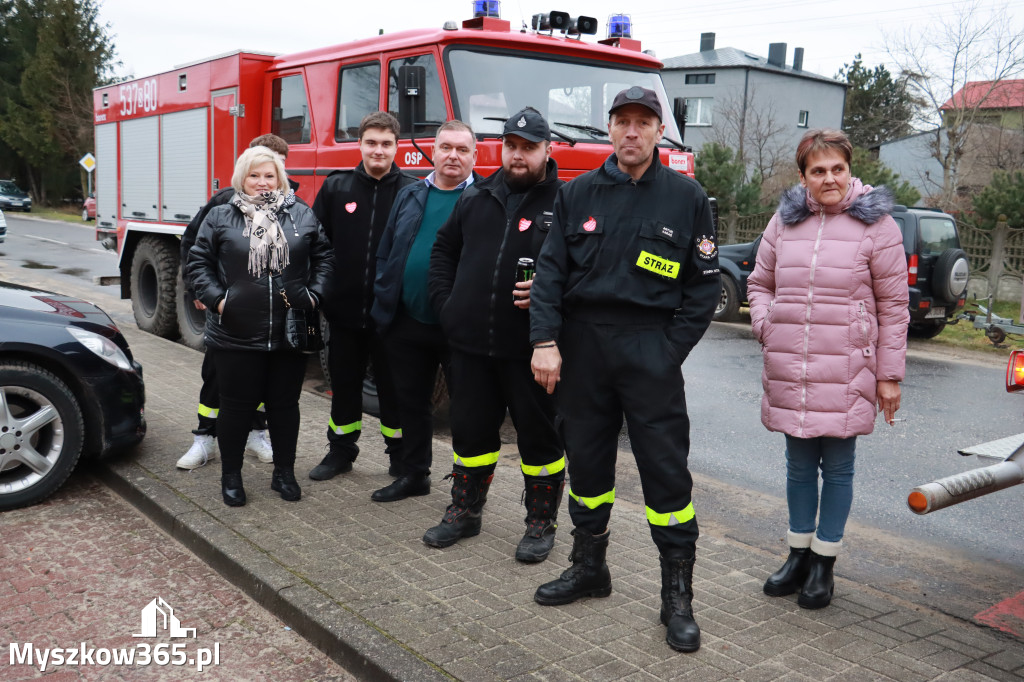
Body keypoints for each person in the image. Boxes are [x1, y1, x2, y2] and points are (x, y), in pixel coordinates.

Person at [528, 86, 719, 653]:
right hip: (582, 351)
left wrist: (667, 353)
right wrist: (545, 340)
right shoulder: (577, 193)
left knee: (666, 475)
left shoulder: (687, 198)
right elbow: (550, 274)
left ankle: (676, 597)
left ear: (660, 131)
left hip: (649, 351)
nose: (632, 132)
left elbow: (703, 290)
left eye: (643, 122)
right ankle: (590, 568)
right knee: (585, 466)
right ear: (609, 129)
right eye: (622, 122)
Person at [746, 128, 908, 609]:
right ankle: (797, 555)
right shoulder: (784, 222)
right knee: (798, 467)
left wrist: (889, 375)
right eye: (818, 171)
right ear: (803, 177)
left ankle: (823, 565)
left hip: (847, 369)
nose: (830, 178)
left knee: (837, 469)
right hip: (791, 364)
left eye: (837, 168)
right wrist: (765, 324)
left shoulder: (879, 227)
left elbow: (895, 307)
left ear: (850, 170)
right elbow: (759, 283)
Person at [425, 107, 565, 561]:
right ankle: (465, 512)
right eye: (511, 146)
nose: (518, 156)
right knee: (469, 435)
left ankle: (541, 523)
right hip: (469, 347)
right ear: (500, 148)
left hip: (530, 350)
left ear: (547, 150)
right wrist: (448, 307)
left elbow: (581, 271)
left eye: (529, 148)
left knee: (540, 441)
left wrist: (551, 299)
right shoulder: (476, 196)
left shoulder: (564, 202)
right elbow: (443, 252)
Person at [186, 146, 334, 506]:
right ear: (243, 179)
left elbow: (325, 257)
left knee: (285, 407)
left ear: (280, 179)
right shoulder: (221, 216)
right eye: (255, 175)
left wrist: (314, 295)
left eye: (269, 175)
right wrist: (221, 300)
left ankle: (284, 472)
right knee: (236, 408)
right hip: (236, 331)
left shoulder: (301, 214)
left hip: (289, 331)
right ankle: (231, 476)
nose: (262, 183)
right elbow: (198, 261)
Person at [370, 120, 480, 503]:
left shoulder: (485, 198)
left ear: (474, 156)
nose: (453, 155)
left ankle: (466, 493)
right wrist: (385, 301)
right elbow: (387, 250)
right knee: (411, 403)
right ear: (432, 151)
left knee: (467, 411)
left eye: (462, 149)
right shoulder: (411, 194)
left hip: (460, 326)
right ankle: (414, 475)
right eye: (446, 147)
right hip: (407, 320)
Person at [177, 134, 298, 470]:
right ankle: (204, 438)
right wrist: (204, 293)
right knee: (216, 377)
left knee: (261, 383)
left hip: (272, 320)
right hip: (229, 319)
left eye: (274, 164)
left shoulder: (293, 205)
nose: (263, 176)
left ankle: (257, 433)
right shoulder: (223, 204)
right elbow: (193, 247)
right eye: (256, 167)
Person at [307, 112, 416, 481]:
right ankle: (340, 453)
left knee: (394, 392)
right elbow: (315, 245)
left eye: (386, 143)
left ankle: (401, 460)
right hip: (344, 314)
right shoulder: (337, 188)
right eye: (371, 142)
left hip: (393, 317)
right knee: (344, 388)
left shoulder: (413, 192)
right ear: (360, 145)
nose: (378, 150)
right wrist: (321, 294)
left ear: (397, 147)